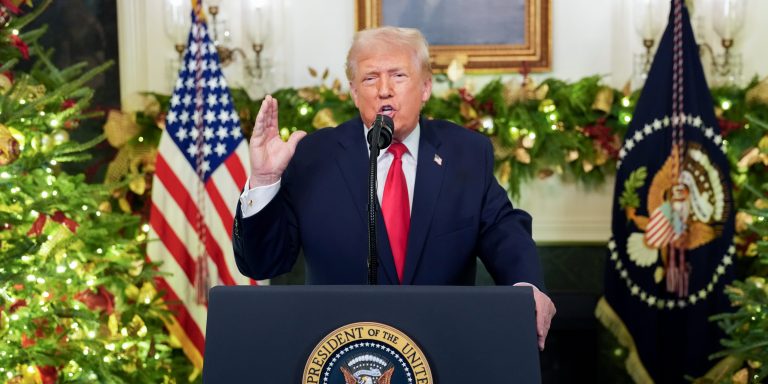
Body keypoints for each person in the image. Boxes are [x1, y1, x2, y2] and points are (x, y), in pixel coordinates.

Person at [233, 26, 555, 350]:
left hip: (443, 348)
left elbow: (504, 229)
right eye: (370, 79)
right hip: (342, 353)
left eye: (398, 76)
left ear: (426, 87)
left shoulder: (465, 153)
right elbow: (263, 264)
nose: (384, 90)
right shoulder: (314, 156)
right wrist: (264, 180)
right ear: (354, 93)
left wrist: (525, 285)